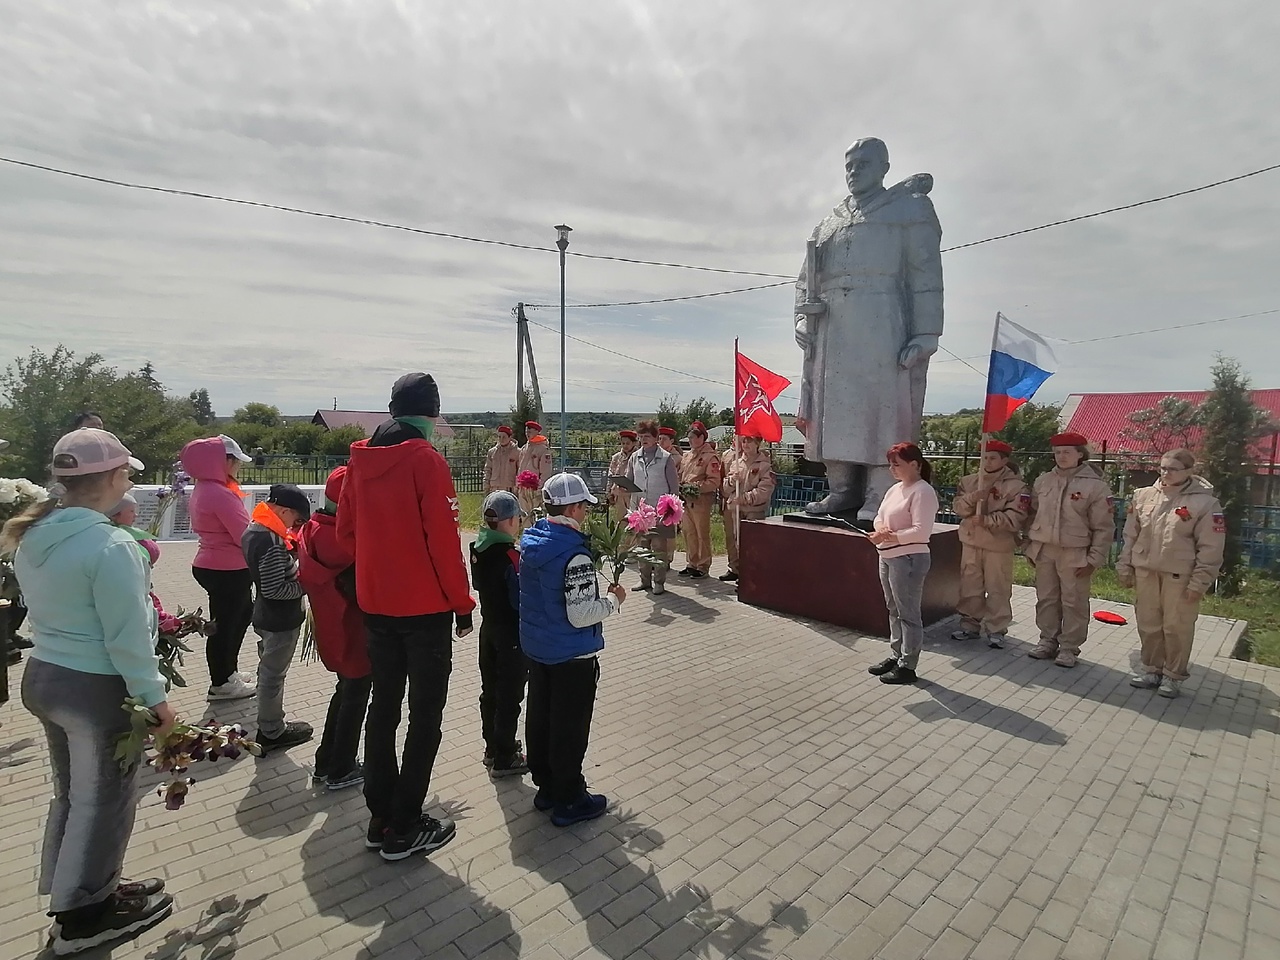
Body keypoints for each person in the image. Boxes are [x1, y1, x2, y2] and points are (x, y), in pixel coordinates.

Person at [4, 429, 175, 954]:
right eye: (127, 473)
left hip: (46, 676)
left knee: (75, 794)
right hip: (94, 689)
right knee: (104, 799)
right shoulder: (111, 545)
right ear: (115, 478)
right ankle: (84, 916)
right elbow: (126, 639)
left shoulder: (35, 532)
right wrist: (158, 702)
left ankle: (84, 887)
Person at [338, 372, 472, 861]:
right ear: (433, 414)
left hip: (376, 604)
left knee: (383, 707)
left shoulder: (359, 459)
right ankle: (406, 823)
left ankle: (379, 817)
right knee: (425, 716)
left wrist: (379, 568)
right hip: (425, 607)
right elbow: (443, 541)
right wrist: (462, 603)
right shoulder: (426, 461)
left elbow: (346, 535)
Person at [794, 138, 944, 523]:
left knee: (881, 408)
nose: (854, 171)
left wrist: (926, 333)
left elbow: (925, 272)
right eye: (849, 165)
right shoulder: (831, 221)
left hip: (883, 317)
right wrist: (801, 317)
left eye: (863, 163)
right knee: (836, 409)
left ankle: (879, 491)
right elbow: (806, 277)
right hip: (833, 325)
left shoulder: (908, 209)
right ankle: (841, 489)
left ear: (884, 167)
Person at [519, 473, 625, 826]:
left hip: (540, 647)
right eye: (584, 507)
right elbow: (580, 615)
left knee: (542, 717)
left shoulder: (533, 541)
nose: (586, 515)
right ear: (575, 507)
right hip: (572, 654)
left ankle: (547, 786)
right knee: (570, 726)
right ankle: (569, 797)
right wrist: (612, 600)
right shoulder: (574, 554)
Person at [1117, 449, 1225, 698]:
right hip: (1146, 571)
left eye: (1172, 469)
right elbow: (1130, 534)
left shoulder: (1205, 503)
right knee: (1148, 623)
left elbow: (1211, 546)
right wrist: (1125, 565)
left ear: (1189, 471)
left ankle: (1173, 675)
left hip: (1179, 575)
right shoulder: (1143, 496)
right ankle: (1152, 669)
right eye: (1163, 467)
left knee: (1176, 626)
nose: (1166, 473)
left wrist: (1200, 582)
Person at [297, 467, 371, 789]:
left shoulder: (314, 529)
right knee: (354, 698)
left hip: (332, 628)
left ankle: (326, 761)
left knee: (345, 694)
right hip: (353, 630)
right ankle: (341, 767)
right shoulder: (345, 541)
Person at [1025, 432, 1114, 668]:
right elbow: (1032, 514)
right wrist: (1031, 546)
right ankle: (1047, 640)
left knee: (1073, 601)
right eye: (1057, 452)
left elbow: (1104, 527)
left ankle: (1069, 648)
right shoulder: (1043, 481)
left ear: (1080, 454)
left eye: (1067, 452)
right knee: (1046, 598)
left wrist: (1094, 558)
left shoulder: (1095, 486)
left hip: (1075, 552)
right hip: (1045, 549)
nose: (1061, 457)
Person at [181, 435, 257, 701]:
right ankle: (222, 683)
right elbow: (243, 534)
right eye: (235, 461)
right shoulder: (220, 493)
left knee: (235, 620)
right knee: (227, 627)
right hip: (227, 570)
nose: (238, 466)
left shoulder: (205, 487)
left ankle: (228, 672)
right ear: (222, 461)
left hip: (216, 566)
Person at [242, 484, 314, 754]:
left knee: (267, 670)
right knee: (274, 675)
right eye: (296, 520)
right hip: (280, 619)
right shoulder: (270, 542)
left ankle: (269, 721)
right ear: (283, 510)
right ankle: (272, 730)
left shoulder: (255, 529)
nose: (296, 526)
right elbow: (275, 589)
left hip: (264, 615)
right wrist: (309, 584)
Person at [867, 442, 939, 685]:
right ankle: (896, 655)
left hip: (908, 558)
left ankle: (909, 664)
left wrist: (889, 536)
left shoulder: (923, 491)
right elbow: (879, 516)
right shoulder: (895, 489)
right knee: (894, 609)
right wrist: (880, 529)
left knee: (908, 613)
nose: (892, 469)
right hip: (887, 555)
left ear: (915, 465)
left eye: (897, 464)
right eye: (890, 464)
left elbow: (921, 531)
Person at [469, 490, 529, 777]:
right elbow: (519, 600)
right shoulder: (510, 556)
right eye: (517, 518)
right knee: (509, 694)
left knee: (489, 691)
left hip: (488, 628)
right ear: (508, 522)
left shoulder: (478, 548)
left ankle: (492, 747)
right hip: (511, 635)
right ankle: (506, 755)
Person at [949, 441, 1030, 648]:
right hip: (971, 541)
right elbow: (958, 507)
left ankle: (997, 628)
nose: (987, 461)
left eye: (993, 457)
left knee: (998, 588)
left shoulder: (1016, 487)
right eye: (984, 457)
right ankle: (970, 624)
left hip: (998, 545)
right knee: (970, 585)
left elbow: (1017, 516)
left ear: (1004, 460)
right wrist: (971, 499)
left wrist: (988, 521)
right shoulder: (969, 482)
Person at [625, 420, 679, 594]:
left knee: (658, 548)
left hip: (659, 512)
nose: (643, 440)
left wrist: (671, 511)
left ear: (656, 437)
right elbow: (629, 480)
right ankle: (644, 580)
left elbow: (674, 487)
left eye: (647, 436)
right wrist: (621, 486)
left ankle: (659, 582)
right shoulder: (635, 456)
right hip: (640, 512)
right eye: (640, 437)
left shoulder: (665, 458)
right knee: (642, 547)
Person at [719, 433, 776, 583]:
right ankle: (741, 573)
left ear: (758, 444)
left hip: (753, 512)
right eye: (743, 442)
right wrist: (732, 480)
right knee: (739, 544)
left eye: (749, 442)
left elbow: (764, 491)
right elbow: (725, 489)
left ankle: (753, 577)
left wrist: (744, 499)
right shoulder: (736, 463)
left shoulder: (765, 466)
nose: (745, 445)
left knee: (753, 545)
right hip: (737, 511)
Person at [678, 422, 723, 579]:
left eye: (693, 437)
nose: (690, 440)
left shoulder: (710, 457)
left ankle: (703, 566)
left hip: (701, 501)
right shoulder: (687, 455)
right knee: (688, 532)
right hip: (685, 500)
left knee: (701, 533)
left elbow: (714, 481)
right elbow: (681, 474)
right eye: (689, 437)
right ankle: (692, 563)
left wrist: (696, 487)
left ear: (702, 437)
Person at [517, 422, 555, 516]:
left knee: (535, 514)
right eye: (526, 431)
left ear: (537, 432)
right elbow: (520, 468)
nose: (527, 433)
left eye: (530, 431)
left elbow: (546, 472)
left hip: (535, 489)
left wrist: (540, 488)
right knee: (524, 515)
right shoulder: (524, 448)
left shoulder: (543, 449)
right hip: (523, 488)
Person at [607, 430, 638, 523]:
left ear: (634, 443)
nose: (625, 446)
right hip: (618, 493)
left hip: (632, 493)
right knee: (621, 520)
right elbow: (611, 474)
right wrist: (608, 492)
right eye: (623, 443)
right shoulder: (616, 457)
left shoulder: (638, 456)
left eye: (628, 443)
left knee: (634, 519)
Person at [483, 425, 520, 494]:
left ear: (510, 437)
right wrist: (486, 484)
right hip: (494, 487)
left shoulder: (517, 452)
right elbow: (488, 469)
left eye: (504, 437)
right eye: (499, 437)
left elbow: (519, 470)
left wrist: (517, 486)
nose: (501, 439)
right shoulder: (492, 452)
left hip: (510, 488)